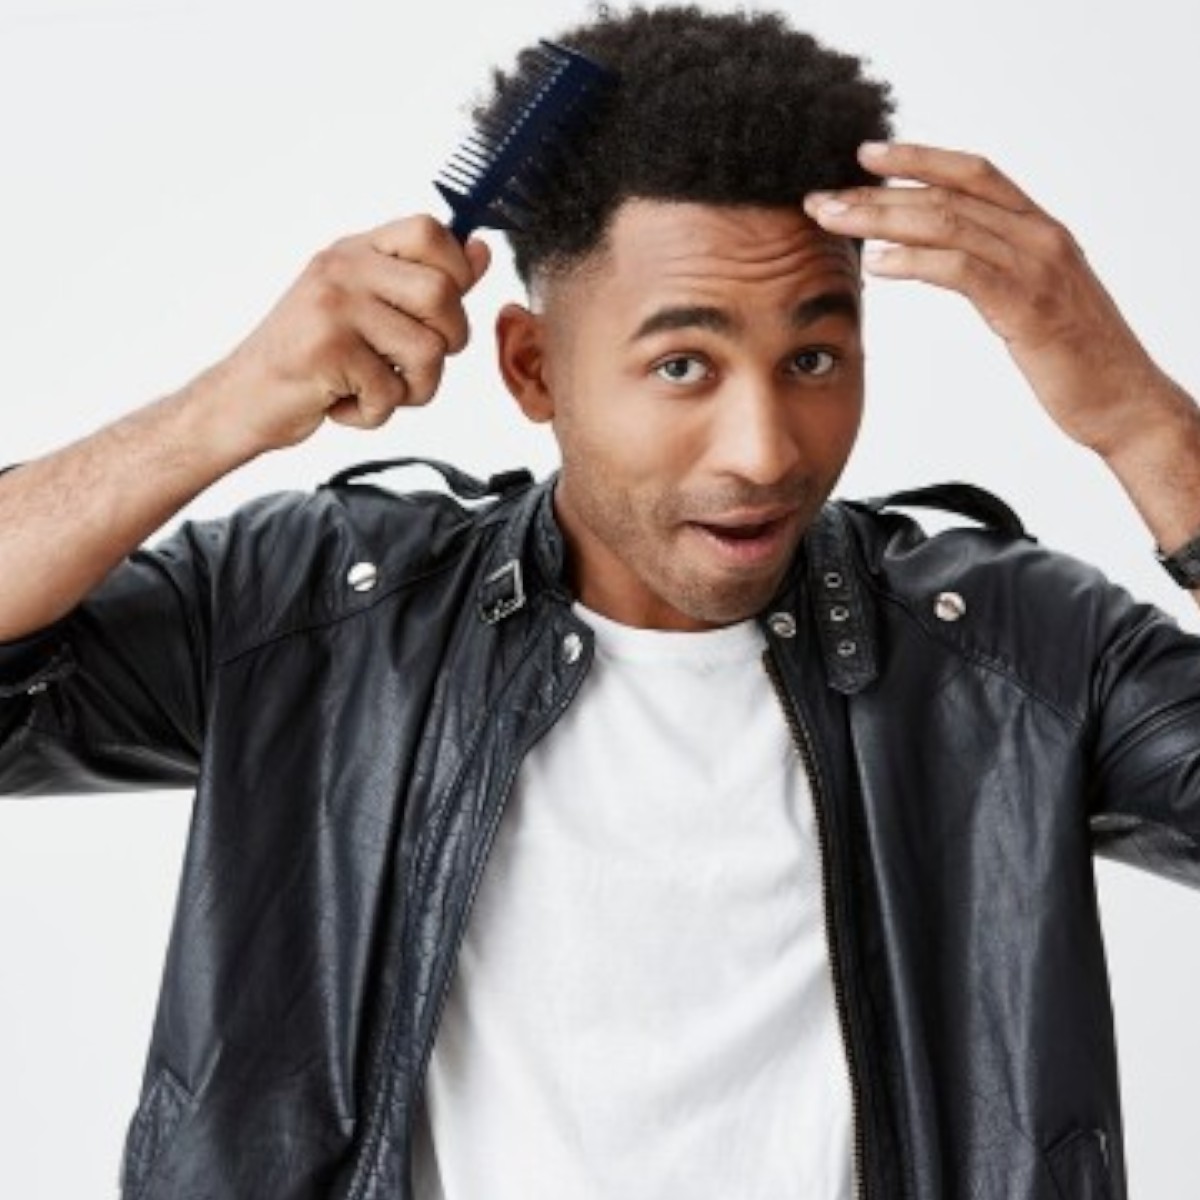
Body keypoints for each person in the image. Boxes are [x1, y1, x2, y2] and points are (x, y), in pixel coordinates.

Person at [1, 4, 1198, 1197]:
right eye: (682, 365)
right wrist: (222, 409)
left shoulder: (1008, 654)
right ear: (533, 368)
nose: (764, 449)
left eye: (813, 360)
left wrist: (1148, 426)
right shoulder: (324, 612)